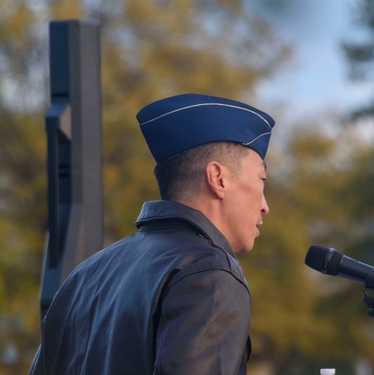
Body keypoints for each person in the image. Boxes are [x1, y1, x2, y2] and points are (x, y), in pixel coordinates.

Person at [28, 93, 276, 374]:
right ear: (218, 179)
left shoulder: (85, 276)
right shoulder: (207, 273)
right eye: (261, 181)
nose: (265, 206)